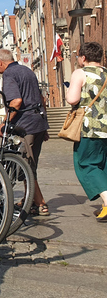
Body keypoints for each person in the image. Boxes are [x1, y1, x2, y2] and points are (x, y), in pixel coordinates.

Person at [0, 48, 50, 216]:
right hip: (38, 123)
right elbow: (41, 99)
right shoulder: (27, 71)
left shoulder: (9, 74)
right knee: (31, 164)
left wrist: (4, 123)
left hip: (25, 126)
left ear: (0, 62)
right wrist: (45, 124)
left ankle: (41, 204)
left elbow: (16, 101)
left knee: (25, 166)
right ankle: (29, 199)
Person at [65, 42, 107, 222]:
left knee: (86, 165)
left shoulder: (80, 73)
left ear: (83, 58)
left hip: (90, 128)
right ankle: (105, 206)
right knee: (103, 165)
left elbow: (72, 99)